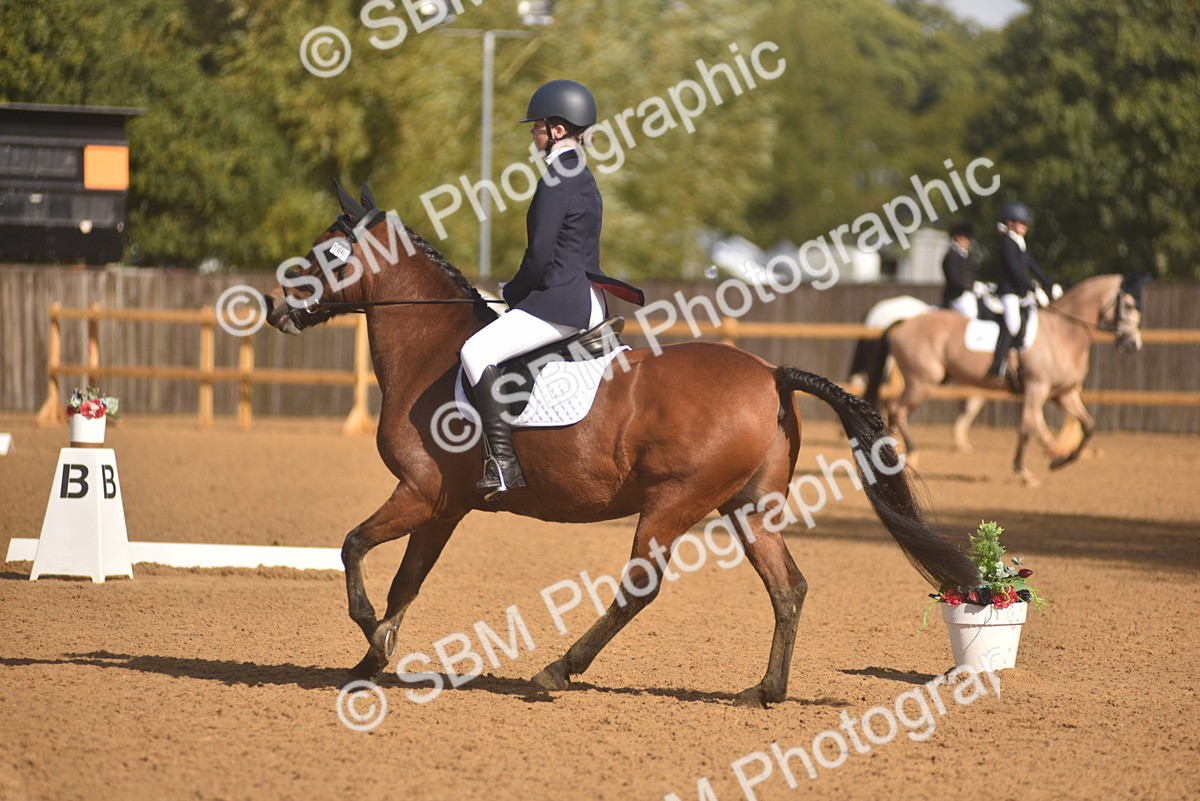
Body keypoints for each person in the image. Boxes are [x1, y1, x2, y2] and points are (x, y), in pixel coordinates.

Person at [459, 79, 644, 500]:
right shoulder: (582, 175)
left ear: (557, 130)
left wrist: (514, 291)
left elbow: (540, 256)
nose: (532, 133)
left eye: (537, 126)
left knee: (474, 352)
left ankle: (502, 464)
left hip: (560, 302)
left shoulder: (557, 177)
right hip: (587, 299)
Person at [988, 201, 1061, 386]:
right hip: (1009, 293)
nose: (1025, 226)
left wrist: (1049, 284)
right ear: (1010, 223)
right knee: (1013, 324)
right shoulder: (1007, 242)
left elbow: (1032, 266)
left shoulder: (1019, 242)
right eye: (1022, 223)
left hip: (1020, 292)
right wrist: (1032, 288)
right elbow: (1015, 271)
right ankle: (998, 365)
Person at [940, 221, 977, 317]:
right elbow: (955, 279)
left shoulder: (965, 256)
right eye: (965, 239)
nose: (968, 242)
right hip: (956, 296)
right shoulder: (952, 256)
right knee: (971, 316)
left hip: (966, 294)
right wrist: (970, 286)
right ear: (957, 238)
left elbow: (970, 274)